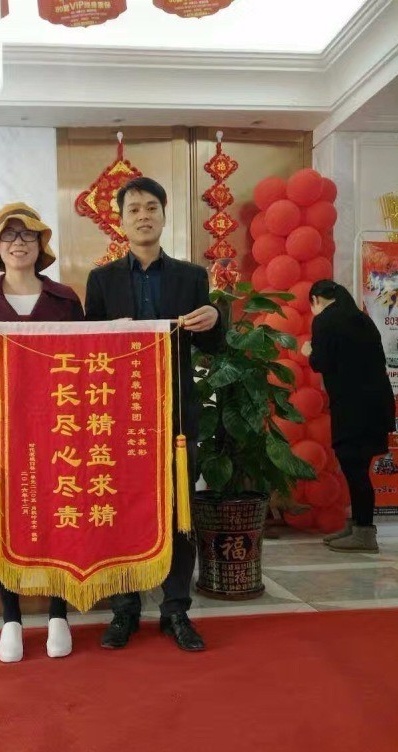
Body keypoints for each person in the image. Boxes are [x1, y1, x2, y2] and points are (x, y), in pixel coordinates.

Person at [84, 176, 223, 652]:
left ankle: (175, 610)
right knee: (121, 509)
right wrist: (111, 334)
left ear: (163, 216)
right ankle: (124, 609)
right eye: (134, 209)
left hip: (176, 416)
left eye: (151, 208)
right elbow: (88, 350)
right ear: (121, 221)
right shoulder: (101, 280)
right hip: (119, 416)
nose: (143, 216)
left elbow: (211, 345)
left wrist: (214, 320)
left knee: (179, 511)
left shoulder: (191, 277)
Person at [0, 202, 85, 662]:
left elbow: (87, 361)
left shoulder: (65, 299)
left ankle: (58, 613)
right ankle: (10, 618)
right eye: (8, 235)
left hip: (60, 426)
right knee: (2, 516)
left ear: (41, 244)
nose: (18, 243)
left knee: (59, 512)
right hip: (0, 428)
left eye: (27, 235)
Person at [301, 279, 395, 553]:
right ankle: (357, 526)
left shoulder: (325, 321)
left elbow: (322, 362)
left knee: (354, 469)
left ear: (316, 300)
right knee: (359, 466)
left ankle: (364, 533)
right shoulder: (361, 318)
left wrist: (309, 352)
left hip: (353, 406)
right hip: (376, 403)